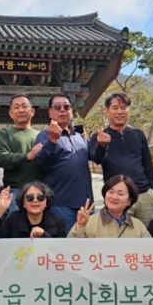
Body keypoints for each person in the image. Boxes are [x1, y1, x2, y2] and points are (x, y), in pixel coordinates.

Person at [90, 92, 153, 226]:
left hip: (144, 195)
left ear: (128, 111)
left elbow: (147, 163)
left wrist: (151, 189)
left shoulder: (138, 134)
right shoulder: (99, 136)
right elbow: (97, 159)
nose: (119, 111)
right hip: (118, 197)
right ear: (107, 111)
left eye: (123, 107)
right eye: (115, 108)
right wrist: (102, 146)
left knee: (145, 234)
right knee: (119, 234)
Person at [34, 94, 93, 233]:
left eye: (66, 107)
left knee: (88, 243)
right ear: (50, 112)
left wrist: (102, 145)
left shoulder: (79, 136)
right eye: (57, 107)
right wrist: (52, 141)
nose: (62, 110)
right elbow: (41, 163)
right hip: (61, 205)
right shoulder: (44, 136)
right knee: (65, 243)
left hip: (86, 205)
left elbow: (96, 157)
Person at [0, 94, 44, 211]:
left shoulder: (41, 135)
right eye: (16, 107)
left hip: (39, 192)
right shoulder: (4, 133)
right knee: (16, 222)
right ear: (10, 113)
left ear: (32, 111)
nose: (21, 110)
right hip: (15, 191)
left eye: (24, 106)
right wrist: (27, 156)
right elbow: (2, 159)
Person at [68, 175, 150, 238]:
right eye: (111, 192)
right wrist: (80, 226)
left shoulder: (139, 226)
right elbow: (70, 249)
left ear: (129, 201)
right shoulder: (88, 222)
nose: (114, 197)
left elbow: (150, 250)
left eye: (120, 194)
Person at [0, 181, 67, 238]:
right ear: (23, 203)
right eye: (29, 197)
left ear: (46, 202)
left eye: (40, 197)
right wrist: (0, 211)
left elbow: (60, 250)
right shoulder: (12, 219)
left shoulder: (58, 221)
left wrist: (44, 235)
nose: (35, 200)